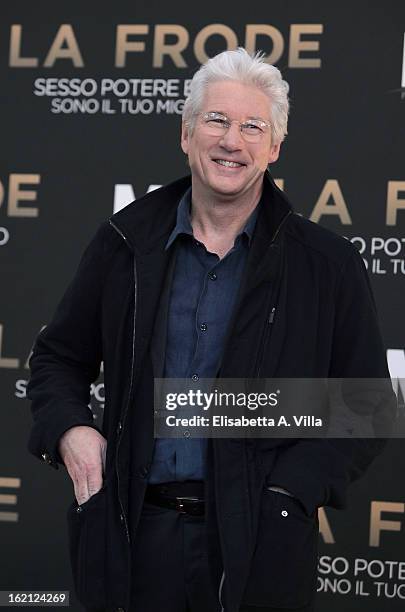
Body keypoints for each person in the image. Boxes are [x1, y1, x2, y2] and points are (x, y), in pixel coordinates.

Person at [27, 48, 393, 612]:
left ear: (273, 148)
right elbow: (57, 358)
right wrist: (71, 433)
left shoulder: (326, 263)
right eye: (217, 120)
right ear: (186, 133)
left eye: (253, 127)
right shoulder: (123, 242)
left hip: (257, 546)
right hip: (131, 537)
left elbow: (366, 405)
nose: (231, 141)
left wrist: (286, 495)